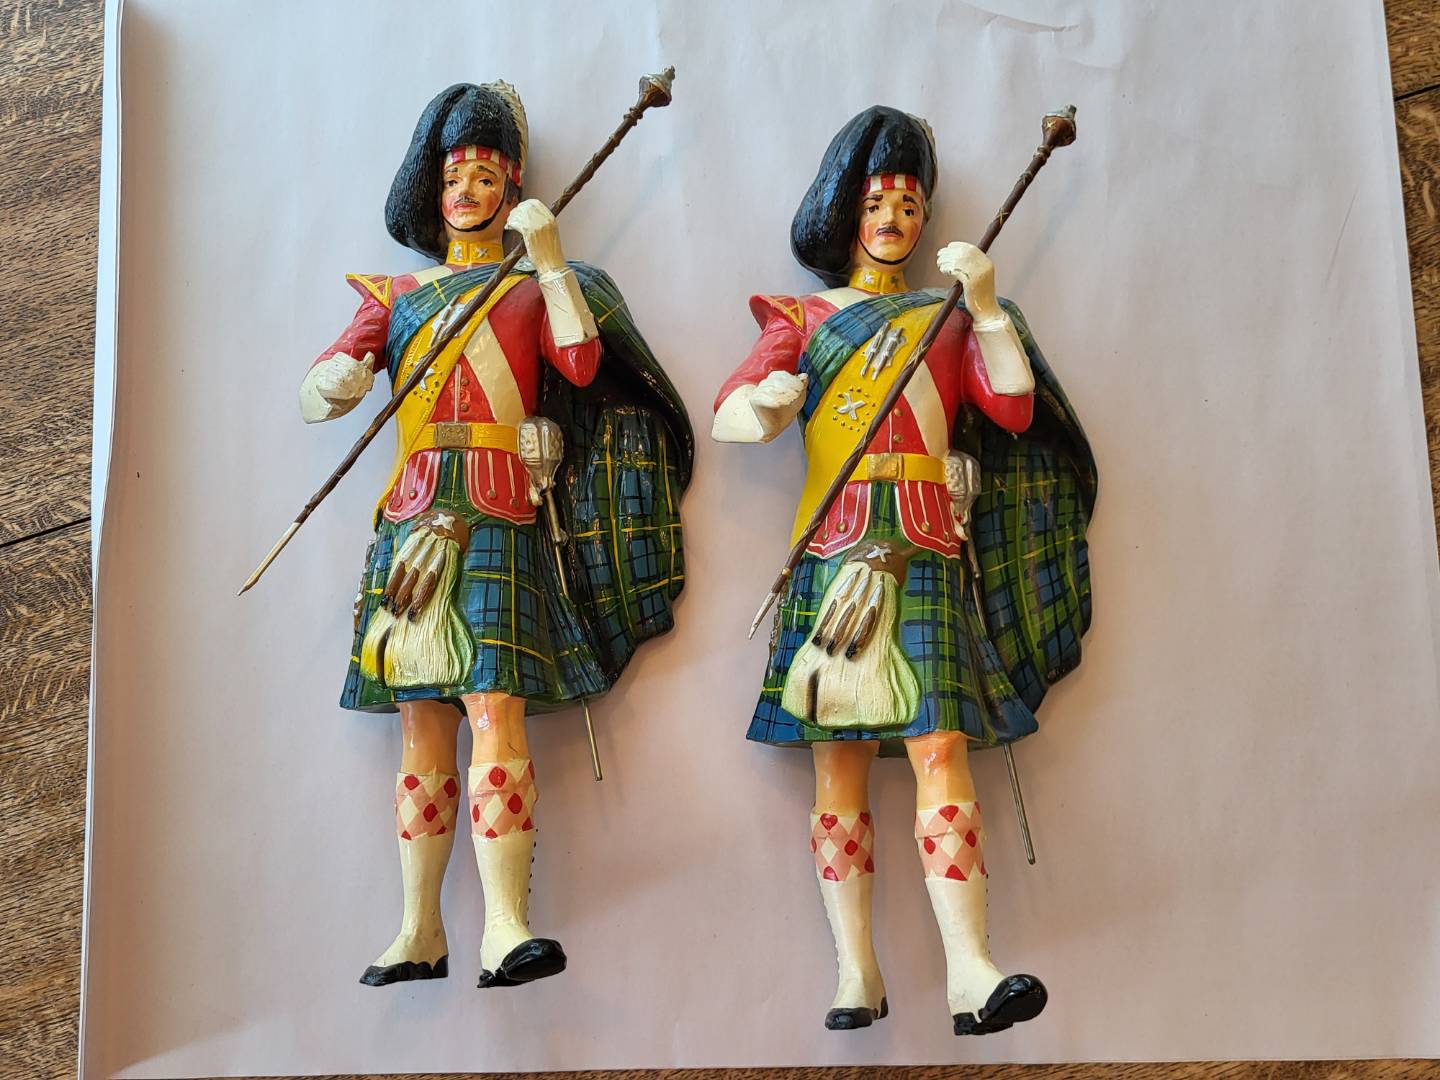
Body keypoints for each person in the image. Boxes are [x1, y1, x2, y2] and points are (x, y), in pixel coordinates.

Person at [713, 105, 1095, 1035]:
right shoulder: (805, 317)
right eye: (877, 201)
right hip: (834, 549)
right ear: (845, 210)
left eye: (910, 204)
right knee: (837, 761)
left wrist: (989, 308)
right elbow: (732, 413)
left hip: (923, 547)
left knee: (939, 746)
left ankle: (970, 969)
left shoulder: (950, 317)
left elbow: (1012, 409)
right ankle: (856, 973)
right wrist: (769, 400)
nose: (893, 218)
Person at [302, 81, 692, 990]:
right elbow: (330, 377)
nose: (467, 192)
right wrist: (335, 380)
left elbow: (583, 364)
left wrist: (550, 262)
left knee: (494, 708)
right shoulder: (398, 295)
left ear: (511, 186)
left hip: (501, 510)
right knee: (421, 721)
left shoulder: (531, 287)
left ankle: (506, 927)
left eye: (484, 177)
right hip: (414, 512)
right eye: (454, 178)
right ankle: (417, 928)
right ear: (432, 191)